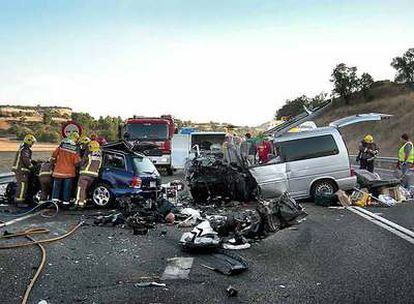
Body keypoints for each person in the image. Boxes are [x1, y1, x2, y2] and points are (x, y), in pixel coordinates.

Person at [51, 131, 81, 206]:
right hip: (69, 173)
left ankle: (54, 203)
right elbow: (77, 162)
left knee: (56, 189)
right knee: (66, 189)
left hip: (58, 171)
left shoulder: (61, 145)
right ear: (75, 139)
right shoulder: (75, 149)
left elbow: (54, 155)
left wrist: (54, 163)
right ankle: (65, 204)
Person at [74, 140, 102, 208]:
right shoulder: (100, 155)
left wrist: (77, 165)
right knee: (85, 189)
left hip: (85, 174)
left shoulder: (88, 154)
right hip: (93, 175)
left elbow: (82, 163)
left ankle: (79, 204)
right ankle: (84, 202)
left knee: (80, 189)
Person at [11, 134, 37, 206]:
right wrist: (31, 167)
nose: (33, 144)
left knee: (23, 185)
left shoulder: (22, 148)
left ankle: (21, 200)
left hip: (20, 170)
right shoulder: (25, 150)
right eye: (32, 142)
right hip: (21, 170)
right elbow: (26, 160)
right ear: (29, 141)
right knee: (22, 185)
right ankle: (19, 202)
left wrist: (32, 161)